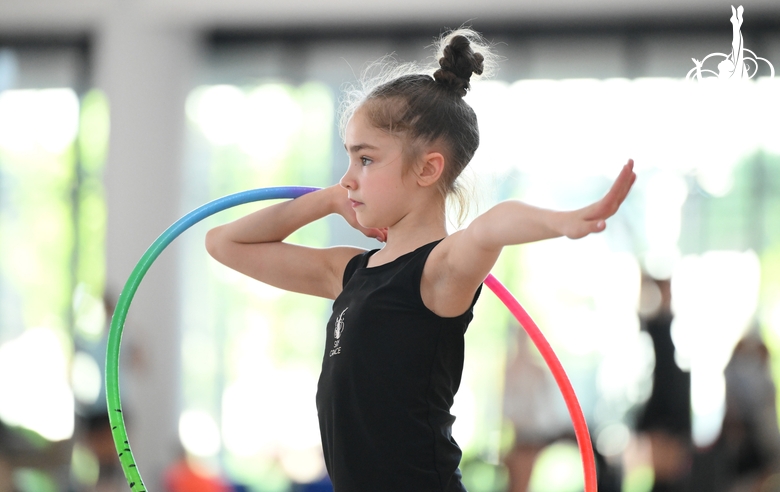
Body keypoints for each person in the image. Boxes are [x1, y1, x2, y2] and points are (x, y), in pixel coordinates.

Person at [205, 28, 636, 492]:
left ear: (428, 168)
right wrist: (328, 201)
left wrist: (563, 221)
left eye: (366, 160)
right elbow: (224, 243)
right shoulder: (349, 273)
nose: (349, 178)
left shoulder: (438, 273)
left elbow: (493, 225)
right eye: (348, 160)